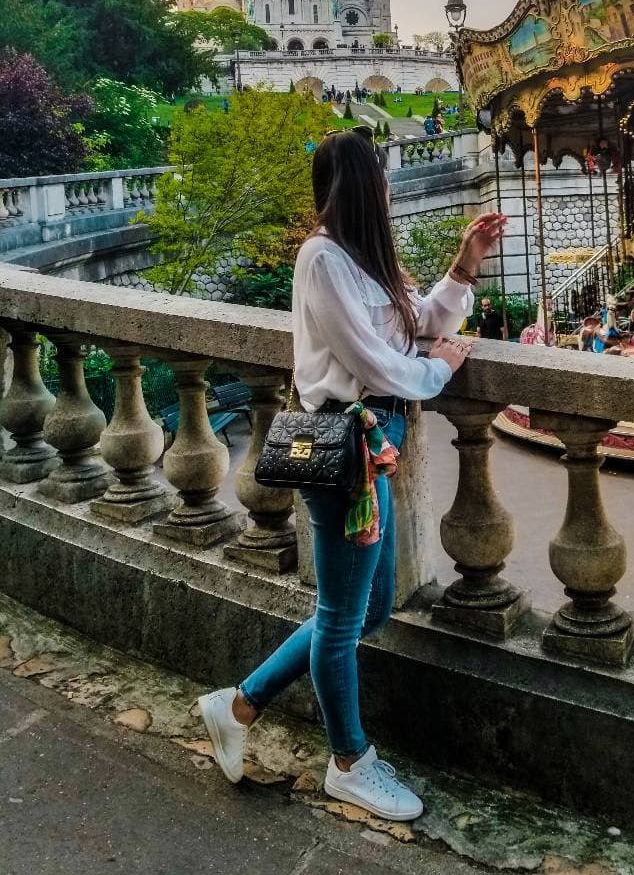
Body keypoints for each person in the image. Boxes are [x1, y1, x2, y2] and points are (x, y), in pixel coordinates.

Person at [197, 129, 507, 822]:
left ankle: (238, 704)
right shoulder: (321, 259)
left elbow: (418, 321)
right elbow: (380, 365)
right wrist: (442, 369)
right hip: (344, 450)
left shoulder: (368, 259)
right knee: (342, 621)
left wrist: (464, 264)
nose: (393, 190)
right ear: (363, 188)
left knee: (364, 610)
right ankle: (349, 763)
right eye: (383, 179)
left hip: (376, 446)